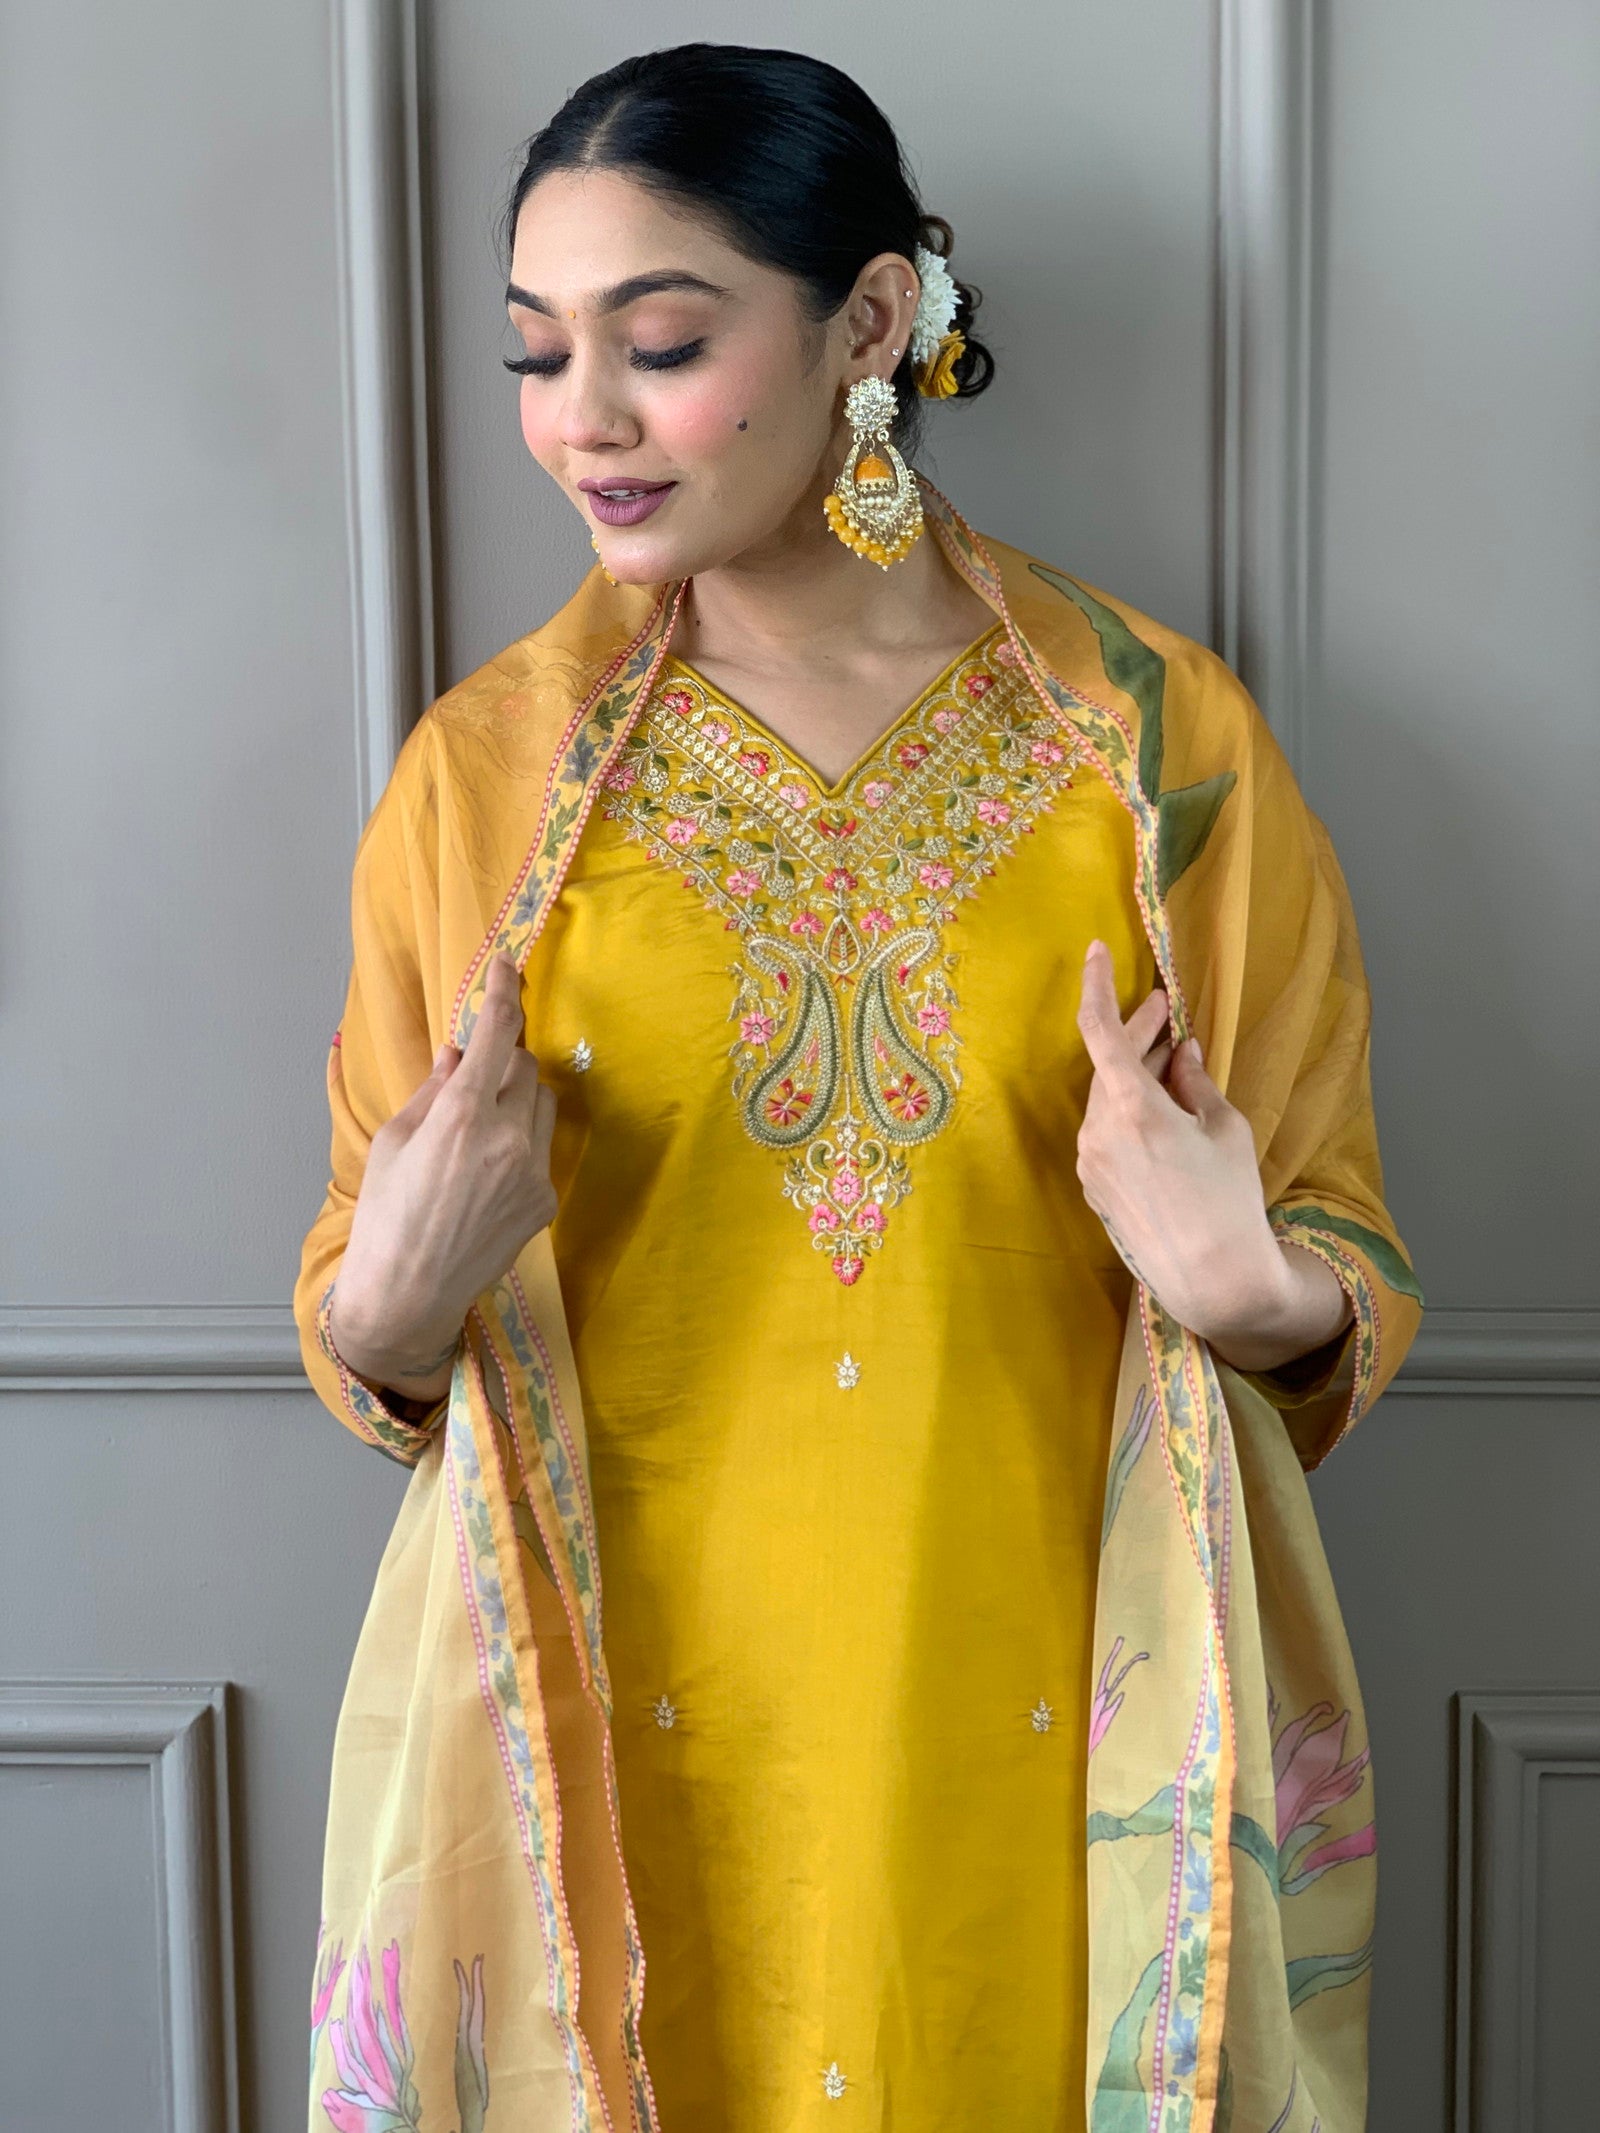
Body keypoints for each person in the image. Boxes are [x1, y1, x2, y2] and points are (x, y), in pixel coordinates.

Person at [297, 42, 1422, 2133]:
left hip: (1048, 1717)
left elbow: (1336, 1258)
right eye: (538, 350)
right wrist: (395, 1291)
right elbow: (365, 1336)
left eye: (658, 344)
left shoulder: (1157, 751)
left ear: (872, 323)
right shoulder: (489, 782)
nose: (577, 419)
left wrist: (1244, 1282)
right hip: (623, 1721)